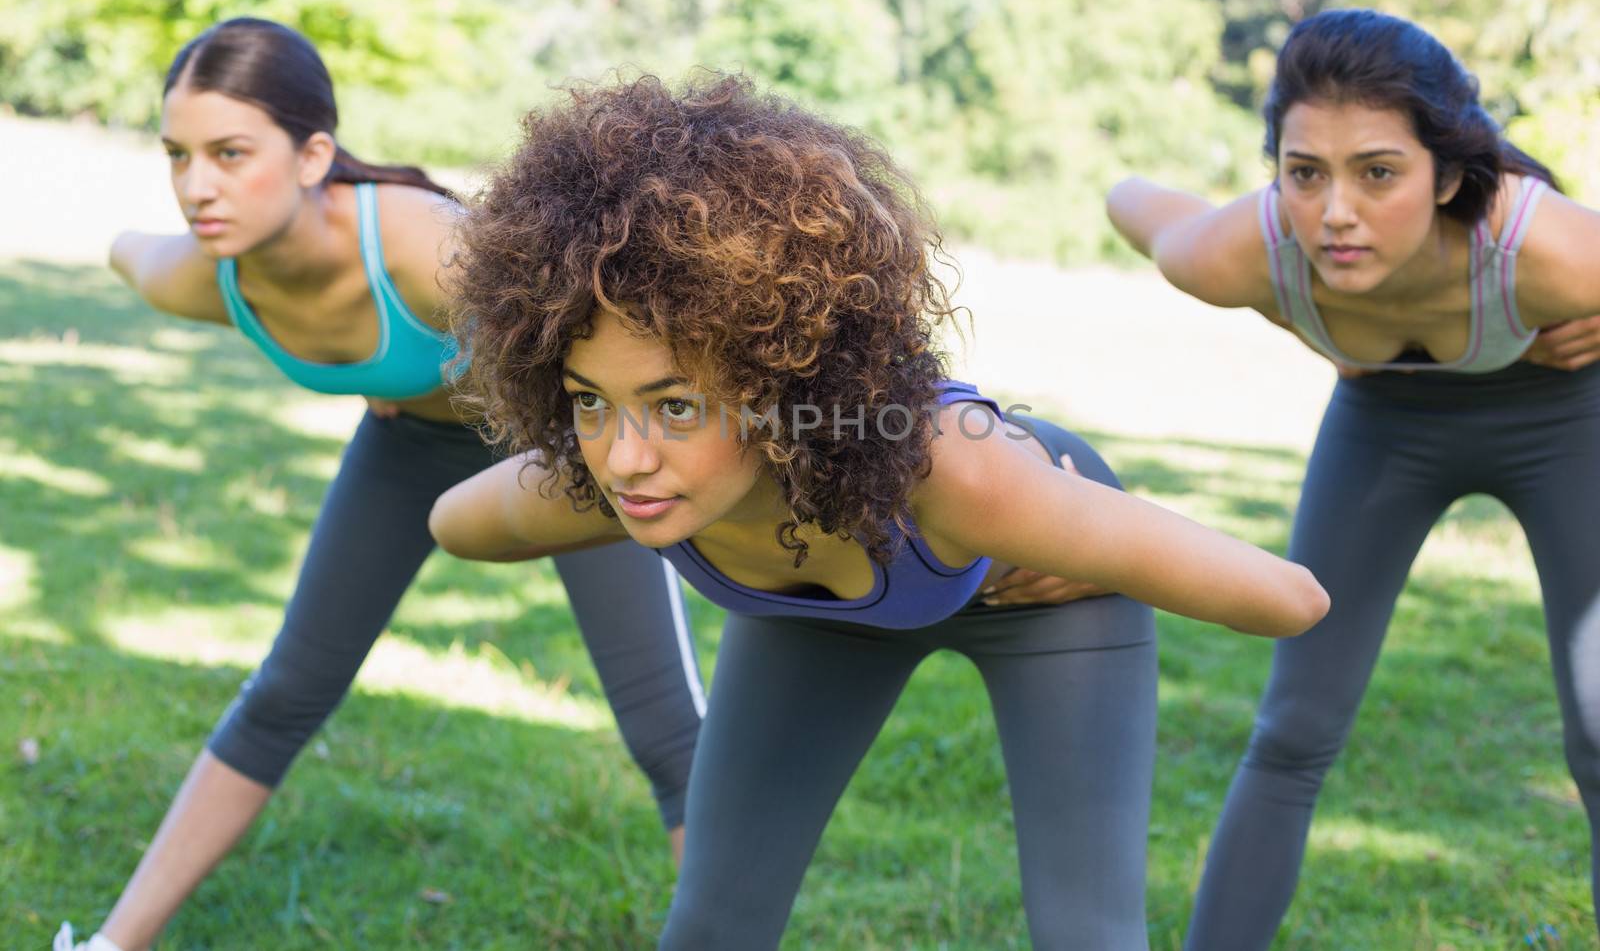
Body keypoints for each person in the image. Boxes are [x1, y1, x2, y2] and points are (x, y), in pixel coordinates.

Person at [427, 72, 1329, 949]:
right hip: (817, 608)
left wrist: (1079, 528)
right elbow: (457, 523)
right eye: (589, 401)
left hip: (1046, 595)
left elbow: (1290, 599)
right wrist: (571, 472)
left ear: (782, 379)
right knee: (712, 924)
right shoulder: (616, 478)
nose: (626, 455)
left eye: (675, 405)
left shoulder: (959, 473)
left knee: (1087, 933)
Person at [54, 19, 705, 951]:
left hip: (564, 448)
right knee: (286, 688)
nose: (198, 186)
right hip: (411, 452)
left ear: (314, 153)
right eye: (177, 156)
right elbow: (132, 251)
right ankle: (113, 944)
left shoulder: (419, 248)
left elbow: (599, 331)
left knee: (667, 730)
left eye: (231, 153)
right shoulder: (204, 277)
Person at [1105, 7, 1600, 949]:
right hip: (1387, 430)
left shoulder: (1552, 250)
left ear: (1449, 172)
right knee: (1292, 728)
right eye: (1304, 173)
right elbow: (1128, 200)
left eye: (1379, 172)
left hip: (1563, 416)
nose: (1335, 211)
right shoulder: (1242, 251)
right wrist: (1290, 312)